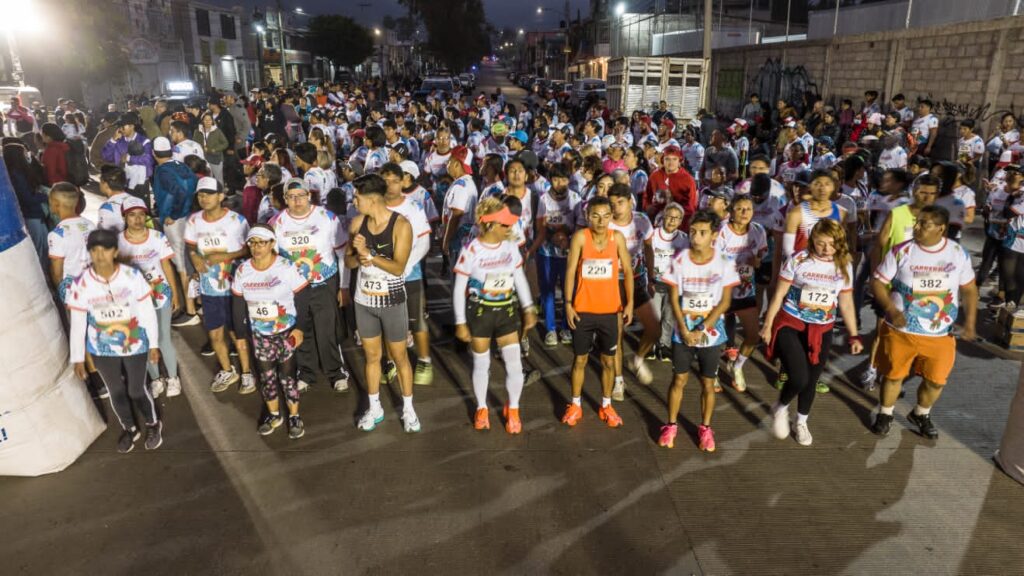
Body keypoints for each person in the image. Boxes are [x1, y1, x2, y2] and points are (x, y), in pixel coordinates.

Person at [869, 205, 978, 439]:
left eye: (924, 224)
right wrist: (890, 308)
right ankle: (885, 414)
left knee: (936, 381)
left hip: (940, 335)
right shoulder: (902, 250)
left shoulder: (959, 254)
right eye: (917, 222)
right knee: (893, 376)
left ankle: (920, 413)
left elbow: (969, 289)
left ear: (941, 228)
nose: (916, 228)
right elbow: (877, 282)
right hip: (900, 330)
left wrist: (970, 323)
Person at [761, 219, 862, 446]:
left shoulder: (844, 265)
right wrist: (767, 325)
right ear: (812, 241)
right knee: (798, 377)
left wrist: (854, 334)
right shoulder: (798, 260)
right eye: (821, 243)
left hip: (823, 327)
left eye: (832, 243)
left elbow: (845, 302)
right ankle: (781, 406)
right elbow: (779, 295)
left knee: (813, 378)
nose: (827, 248)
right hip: (792, 321)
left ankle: (802, 421)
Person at [69, 229, 164, 453]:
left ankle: (153, 423)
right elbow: (78, 321)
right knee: (116, 391)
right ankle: (130, 428)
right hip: (102, 348)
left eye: (105, 249)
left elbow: (146, 311)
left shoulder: (132, 277)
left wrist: (153, 344)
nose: (100, 255)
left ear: (115, 251)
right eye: (94, 250)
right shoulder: (82, 283)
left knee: (136, 390)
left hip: (134, 343)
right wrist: (78, 358)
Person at [453, 197, 538, 434]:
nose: (510, 228)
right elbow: (459, 288)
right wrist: (460, 322)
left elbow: (519, 278)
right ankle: (482, 408)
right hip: (480, 314)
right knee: (482, 363)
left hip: (506, 313)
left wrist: (528, 307)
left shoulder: (510, 247)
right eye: (505, 224)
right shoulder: (471, 250)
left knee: (514, 364)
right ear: (489, 224)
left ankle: (513, 409)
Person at [657, 210, 738, 452]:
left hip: (710, 334)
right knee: (678, 379)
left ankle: (705, 428)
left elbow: (724, 302)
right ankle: (670, 425)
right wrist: (683, 328)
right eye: (693, 231)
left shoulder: (724, 262)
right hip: (682, 331)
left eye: (702, 232)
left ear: (714, 235)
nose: (696, 237)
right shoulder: (680, 260)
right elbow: (673, 297)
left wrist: (702, 328)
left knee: (707, 382)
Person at [345, 174, 419, 433]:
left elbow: (399, 268)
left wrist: (370, 255)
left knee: (399, 357)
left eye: (357, 197)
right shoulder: (357, 223)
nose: (354, 201)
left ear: (372, 199)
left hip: (392, 300)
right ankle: (374, 406)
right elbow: (349, 263)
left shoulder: (401, 226)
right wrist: (356, 253)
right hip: (364, 300)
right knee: (372, 356)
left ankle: (409, 409)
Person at [269, 178, 350, 391]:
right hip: (294, 288)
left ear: (309, 196)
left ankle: (335, 371)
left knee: (326, 328)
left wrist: (344, 286)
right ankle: (306, 372)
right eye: (292, 197)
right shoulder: (276, 223)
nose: (297, 201)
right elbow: (272, 259)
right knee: (300, 329)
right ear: (285, 199)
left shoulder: (327, 218)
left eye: (301, 196)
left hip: (323, 282)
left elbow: (342, 252)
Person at [231, 225, 312, 439]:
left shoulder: (285, 267)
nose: (256, 247)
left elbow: (303, 296)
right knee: (266, 377)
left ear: (272, 244)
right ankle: (274, 414)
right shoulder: (243, 270)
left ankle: (294, 416)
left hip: (286, 332)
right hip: (259, 335)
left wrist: (300, 328)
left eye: (262, 242)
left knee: (287, 376)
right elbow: (238, 302)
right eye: (252, 242)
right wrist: (240, 335)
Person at [562, 196, 634, 428]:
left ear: (611, 217)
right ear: (587, 216)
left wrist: (630, 303)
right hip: (583, 311)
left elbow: (629, 273)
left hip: (609, 311)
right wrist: (568, 303)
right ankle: (575, 404)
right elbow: (571, 271)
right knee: (580, 360)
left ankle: (606, 404)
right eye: (595, 215)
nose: (601, 221)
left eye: (605, 215)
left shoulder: (618, 238)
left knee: (608, 362)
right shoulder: (581, 237)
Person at [184, 177, 255, 393]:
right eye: (201, 194)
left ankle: (246, 373)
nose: (204, 198)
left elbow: (249, 249)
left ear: (221, 196)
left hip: (233, 288)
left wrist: (226, 256)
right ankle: (227, 370)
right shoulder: (194, 221)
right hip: (209, 288)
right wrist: (195, 259)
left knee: (237, 334)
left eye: (209, 193)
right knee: (215, 334)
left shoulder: (237, 221)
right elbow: (191, 246)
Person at [117, 196, 182, 398]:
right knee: (143, 340)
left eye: (141, 215)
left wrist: (175, 293)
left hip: (159, 294)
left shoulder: (157, 237)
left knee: (162, 338)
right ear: (125, 217)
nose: (136, 219)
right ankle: (156, 379)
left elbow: (166, 265)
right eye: (131, 215)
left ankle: (173, 378)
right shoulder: (117, 242)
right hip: (133, 300)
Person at [381, 162, 434, 384]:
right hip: (382, 275)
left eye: (395, 180)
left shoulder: (413, 206)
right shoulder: (375, 205)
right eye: (386, 181)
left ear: (403, 181)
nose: (391, 186)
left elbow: (424, 242)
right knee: (387, 321)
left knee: (416, 319)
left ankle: (424, 360)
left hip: (409, 274)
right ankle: (391, 361)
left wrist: (404, 267)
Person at [607, 183, 658, 394]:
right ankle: (618, 380)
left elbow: (648, 249)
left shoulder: (642, 221)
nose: (616, 207)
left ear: (630, 202)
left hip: (636, 279)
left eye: (620, 202)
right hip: (612, 281)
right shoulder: (606, 223)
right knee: (617, 332)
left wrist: (652, 277)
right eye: (612, 203)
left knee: (654, 328)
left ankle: (637, 360)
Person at [717, 194, 768, 392]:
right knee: (715, 336)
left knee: (753, 336)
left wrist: (755, 263)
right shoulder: (721, 231)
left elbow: (760, 257)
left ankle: (737, 366)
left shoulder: (758, 231)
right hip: (722, 292)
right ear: (731, 211)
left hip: (746, 290)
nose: (745, 213)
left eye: (748, 209)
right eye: (740, 209)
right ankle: (712, 372)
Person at [528, 162, 580, 346]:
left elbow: (579, 225)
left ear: (569, 180)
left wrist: (567, 237)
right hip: (547, 252)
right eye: (556, 179)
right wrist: (553, 236)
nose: (559, 183)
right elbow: (539, 226)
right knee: (548, 290)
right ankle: (550, 329)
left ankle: (566, 326)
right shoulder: (543, 199)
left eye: (563, 179)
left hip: (568, 254)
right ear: (550, 180)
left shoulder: (575, 198)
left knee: (569, 291)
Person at [152, 136, 200, 325]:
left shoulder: (163, 170)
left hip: (176, 221)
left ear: (154, 154)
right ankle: (198, 302)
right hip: (189, 218)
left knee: (182, 266)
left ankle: (190, 311)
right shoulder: (183, 166)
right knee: (190, 260)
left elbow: (178, 192)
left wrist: (175, 213)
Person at [649, 202, 689, 362]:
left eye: (676, 218)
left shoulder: (684, 239)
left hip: (673, 285)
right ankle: (651, 345)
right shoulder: (653, 235)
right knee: (655, 315)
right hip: (654, 281)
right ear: (663, 217)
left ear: (680, 221)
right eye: (669, 217)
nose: (672, 221)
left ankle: (664, 346)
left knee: (669, 316)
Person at [47, 183, 95, 301]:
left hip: (74, 293)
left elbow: (57, 273)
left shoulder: (57, 234)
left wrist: (62, 296)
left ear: (55, 204)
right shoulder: (90, 225)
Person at [441, 145, 478, 269]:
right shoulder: (467, 181)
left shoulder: (460, 186)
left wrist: (446, 240)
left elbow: (456, 214)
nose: (447, 165)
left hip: (458, 239)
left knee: (458, 277)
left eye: (449, 162)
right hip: (464, 238)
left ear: (456, 164)